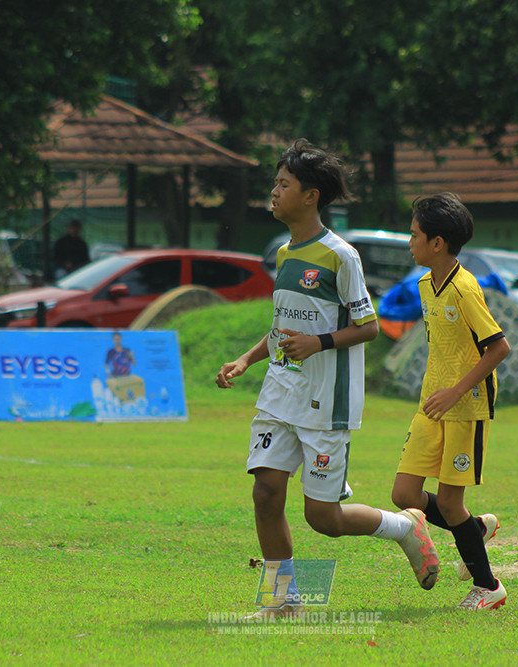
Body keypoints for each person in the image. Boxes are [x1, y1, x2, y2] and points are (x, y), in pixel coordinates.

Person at [215, 139, 440, 619]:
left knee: (324, 519)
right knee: (265, 492)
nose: (274, 192)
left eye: (284, 184)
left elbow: (369, 327)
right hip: (280, 392)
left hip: (325, 400)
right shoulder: (283, 254)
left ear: (310, 196)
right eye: (275, 183)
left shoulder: (342, 256)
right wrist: (246, 360)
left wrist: (318, 343)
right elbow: (281, 328)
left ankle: (404, 527)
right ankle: (284, 601)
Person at [390, 192, 511, 611]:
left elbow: (499, 347)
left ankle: (488, 587)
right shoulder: (425, 285)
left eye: (414, 235)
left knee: (448, 502)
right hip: (432, 404)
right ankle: (474, 529)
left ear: (437, 243)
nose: (410, 242)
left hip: (466, 406)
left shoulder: (464, 288)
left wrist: (455, 391)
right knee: (404, 493)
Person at [104, 331, 143, 403]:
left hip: (127, 377)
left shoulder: (127, 350)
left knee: (130, 397)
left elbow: (134, 364)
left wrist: (132, 356)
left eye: (118, 339)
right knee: (119, 398)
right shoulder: (111, 352)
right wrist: (108, 372)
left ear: (121, 339)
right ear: (113, 340)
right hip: (117, 377)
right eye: (115, 339)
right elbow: (106, 364)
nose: (117, 341)